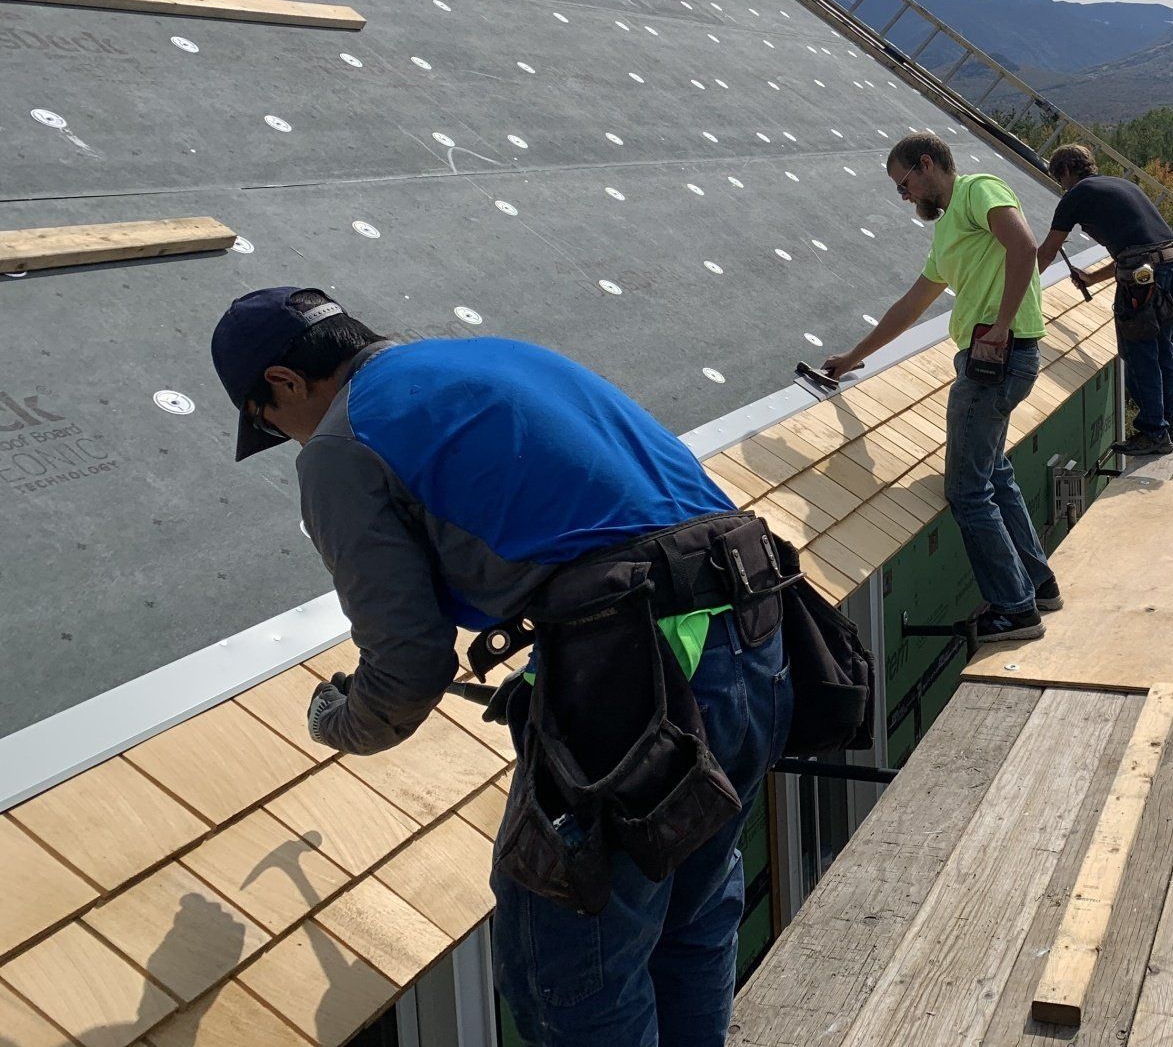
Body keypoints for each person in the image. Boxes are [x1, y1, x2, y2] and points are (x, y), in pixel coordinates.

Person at [210, 287, 791, 1047]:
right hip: (756, 630)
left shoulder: (339, 447)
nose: (285, 438)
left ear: (282, 383)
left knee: (568, 971)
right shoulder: (483, 355)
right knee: (690, 915)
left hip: (645, 685)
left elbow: (408, 666)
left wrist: (342, 723)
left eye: (267, 422)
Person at [822, 133, 1060, 642]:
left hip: (995, 357)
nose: (903, 197)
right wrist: (850, 359)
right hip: (994, 358)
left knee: (966, 491)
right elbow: (909, 309)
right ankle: (1038, 584)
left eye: (903, 184)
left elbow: (1023, 247)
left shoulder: (978, 190)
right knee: (993, 472)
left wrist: (1000, 324)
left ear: (926, 166)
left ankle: (1015, 610)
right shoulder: (948, 231)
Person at [1036, 143, 1173, 456]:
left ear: (1066, 171)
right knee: (1161, 349)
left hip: (1143, 280)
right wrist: (1090, 278)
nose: (1060, 185)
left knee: (1139, 351)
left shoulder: (1076, 195)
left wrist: (1018, 288)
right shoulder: (1121, 186)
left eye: (1058, 178)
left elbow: (1047, 252)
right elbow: (1134, 251)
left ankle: (1153, 433)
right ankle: (1167, 424)